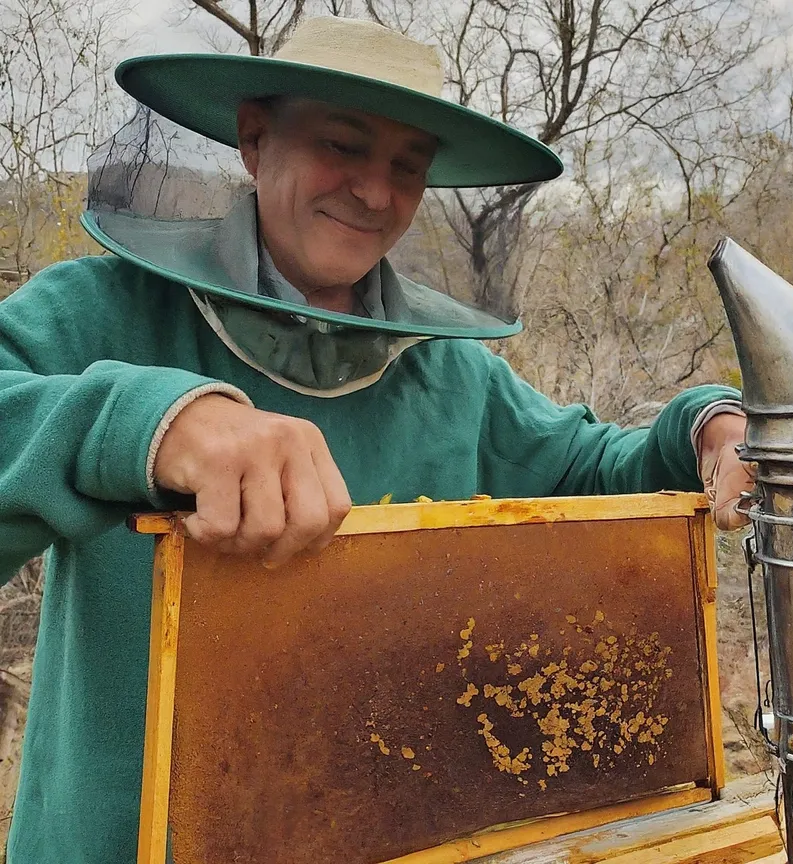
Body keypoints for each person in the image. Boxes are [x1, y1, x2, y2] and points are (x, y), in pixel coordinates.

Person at [0, 16, 753, 864]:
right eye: (341, 144)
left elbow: (595, 471)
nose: (373, 192)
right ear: (254, 139)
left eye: (407, 166)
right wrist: (151, 423)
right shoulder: (98, 313)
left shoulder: (452, 378)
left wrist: (706, 426)